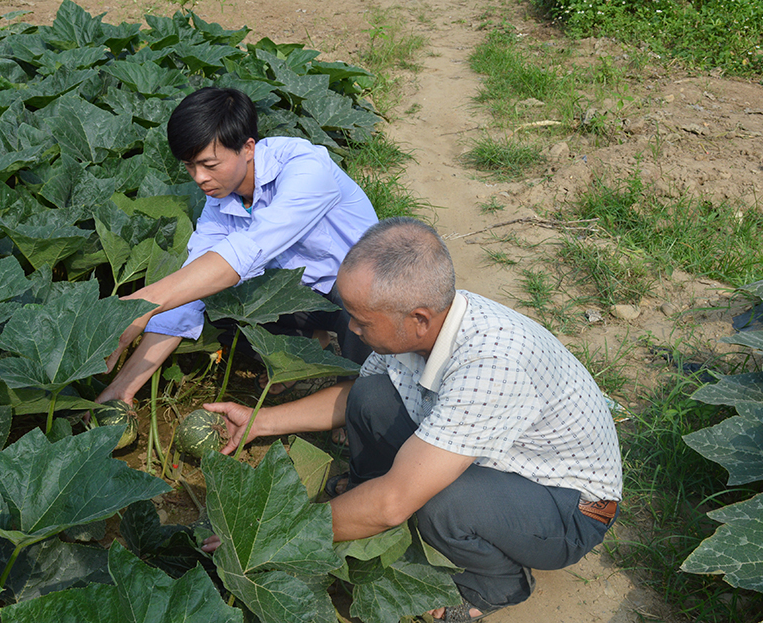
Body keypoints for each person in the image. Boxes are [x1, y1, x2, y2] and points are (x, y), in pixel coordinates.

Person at [204, 217, 623, 621]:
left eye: (361, 320)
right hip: (498, 463)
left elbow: (393, 504)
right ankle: (363, 498)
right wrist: (260, 421)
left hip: (567, 507)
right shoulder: (429, 323)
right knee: (371, 396)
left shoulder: (491, 364)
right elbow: (354, 397)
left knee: (440, 504)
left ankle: (497, 584)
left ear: (418, 319)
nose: (349, 327)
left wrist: (276, 538)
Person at [97, 87, 377, 405]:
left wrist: (142, 302)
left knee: (357, 292)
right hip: (301, 295)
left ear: (247, 148)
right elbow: (189, 290)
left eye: (210, 165)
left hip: (362, 288)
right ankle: (310, 347)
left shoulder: (307, 171)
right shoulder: (220, 200)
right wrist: (123, 388)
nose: (200, 178)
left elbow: (248, 250)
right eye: (190, 166)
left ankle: (356, 388)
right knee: (213, 304)